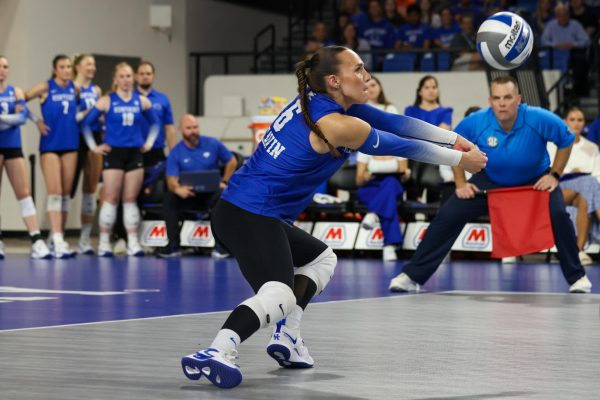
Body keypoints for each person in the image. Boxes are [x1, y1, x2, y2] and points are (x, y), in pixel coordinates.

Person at [180, 45, 487, 389]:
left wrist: (455, 139)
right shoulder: (338, 125)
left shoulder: (323, 99)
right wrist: (462, 161)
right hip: (250, 213)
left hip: (245, 210)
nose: (365, 75)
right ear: (334, 81)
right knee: (279, 293)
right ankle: (219, 349)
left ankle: (288, 337)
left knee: (321, 259)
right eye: (357, 69)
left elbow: (396, 121)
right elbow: (402, 145)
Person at [389, 76, 593, 295]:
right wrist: (460, 183)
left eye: (507, 97)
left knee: (559, 214)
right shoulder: (477, 122)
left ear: (518, 99)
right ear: (490, 100)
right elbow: (454, 145)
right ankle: (412, 276)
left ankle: (577, 277)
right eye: (496, 98)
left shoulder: (538, 118)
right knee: (449, 213)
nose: (502, 103)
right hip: (491, 180)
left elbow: (566, 139)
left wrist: (554, 174)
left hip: (535, 180)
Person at [81, 62, 160, 257]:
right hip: (114, 153)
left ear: (133, 79)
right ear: (115, 79)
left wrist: (148, 143)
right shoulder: (106, 101)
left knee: (130, 199)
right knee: (111, 198)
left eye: (128, 76)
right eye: (122, 77)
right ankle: (104, 242)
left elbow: (156, 123)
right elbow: (86, 123)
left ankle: (133, 242)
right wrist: (94, 147)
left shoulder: (141, 101)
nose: (125, 80)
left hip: (134, 153)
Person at [156, 115, 237, 258]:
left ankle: (221, 246)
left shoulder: (213, 143)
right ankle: (173, 245)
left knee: (223, 196)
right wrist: (177, 189)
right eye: (189, 128)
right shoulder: (176, 152)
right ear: (181, 130)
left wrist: (225, 181)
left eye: (195, 127)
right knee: (170, 198)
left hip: (212, 194)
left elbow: (232, 161)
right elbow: (171, 180)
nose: (193, 131)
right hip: (189, 195)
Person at [25, 55, 79, 258]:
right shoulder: (45, 87)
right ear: (55, 69)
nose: (66, 70)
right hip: (50, 145)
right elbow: (22, 99)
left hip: (71, 144)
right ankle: (56, 238)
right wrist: (36, 120)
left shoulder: (75, 88)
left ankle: (58, 237)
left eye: (69, 67)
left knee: (65, 193)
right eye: (62, 67)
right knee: (54, 191)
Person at [0, 55, 51, 260]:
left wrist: (6, 118)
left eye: (5, 66)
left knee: (24, 193)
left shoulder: (16, 91)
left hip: (13, 146)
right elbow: (18, 117)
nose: (2, 70)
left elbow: (22, 117)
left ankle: (37, 240)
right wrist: (12, 119)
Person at [356, 75, 407, 261]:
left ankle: (372, 214)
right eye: (367, 85)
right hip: (371, 187)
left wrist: (402, 171)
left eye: (374, 84)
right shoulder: (364, 142)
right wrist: (367, 175)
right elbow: (358, 180)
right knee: (388, 199)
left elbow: (403, 173)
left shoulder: (399, 145)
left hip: (392, 183)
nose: (371, 87)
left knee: (391, 183)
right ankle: (389, 246)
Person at [548, 106, 600, 265]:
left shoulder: (591, 147)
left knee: (583, 201)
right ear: (565, 121)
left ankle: (579, 251)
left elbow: (598, 175)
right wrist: (570, 172)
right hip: (557, 190)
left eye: (580, 120)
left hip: (584, 194)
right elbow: (547, 173)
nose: (576, 124)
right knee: (589, 182)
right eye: (572, 120)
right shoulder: (552, 144)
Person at [72, 54, 103, 255]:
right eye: (88, 64)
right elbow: (73, 116)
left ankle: (84, 238)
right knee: (67, 189)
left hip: (94, 138)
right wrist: (90, 111)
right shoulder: (73, 87)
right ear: (78, 66)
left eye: (93, 64)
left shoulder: (97, 90)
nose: (92, 67)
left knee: (90, 189)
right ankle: (55, 235)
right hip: (74, 139)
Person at [404, 75, 453, 202]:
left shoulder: (446, 111)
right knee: (411, 199)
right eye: (427, 87)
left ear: (438, 91)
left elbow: (443, 134)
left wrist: (419, 134)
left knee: (434, 199)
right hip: (414, 158)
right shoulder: (410, 110)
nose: (431, 90)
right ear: (420, 91)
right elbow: (408, 133)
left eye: (434, 87)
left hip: (435, 159)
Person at [541, 3, 590, 95]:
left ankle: (575, 91)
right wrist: (555, 45)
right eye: (559, 16)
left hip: (572, 53)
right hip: (555, 54)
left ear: (568, 15)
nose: (562, 18)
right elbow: (543, 41)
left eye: (564, 15)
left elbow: (586, 41)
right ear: (556, 16)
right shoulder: (551, 25)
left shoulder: (575, 25)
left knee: (581, 63)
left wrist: (573, 44)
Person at [135, 61, 176, 166]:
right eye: (142, 74)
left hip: (156, 150)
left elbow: (169, 129)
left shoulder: (162, 99)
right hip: (133, 150)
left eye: (148, 74)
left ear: (153, 76)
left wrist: (174, 154)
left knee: (157, 181)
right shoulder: (129, 98)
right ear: (136, 76)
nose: (145, 77)